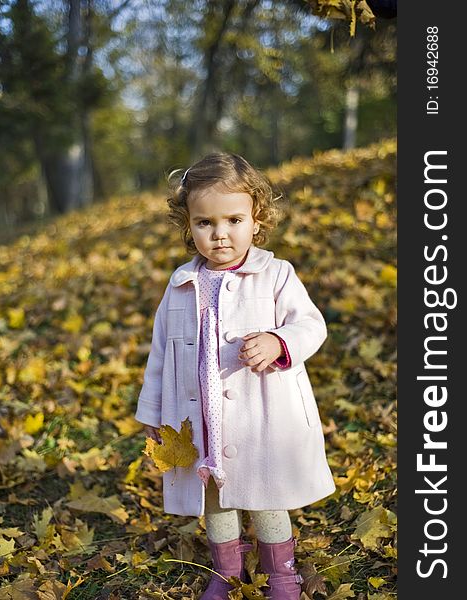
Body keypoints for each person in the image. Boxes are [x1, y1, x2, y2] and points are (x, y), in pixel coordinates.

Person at [134, 152, 336, 599]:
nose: (220, 233)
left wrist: (279, 342)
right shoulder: (180, 284)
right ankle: (227, 574)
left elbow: (312, 325)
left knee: (266, 494)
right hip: (199, 415)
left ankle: (282, 573)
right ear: (188, 225)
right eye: (205, 222)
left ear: (256, 218)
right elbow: (160, 354)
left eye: (233, 219)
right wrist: (153, 411)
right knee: (216, 499)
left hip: (260, 415)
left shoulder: (276, 274)